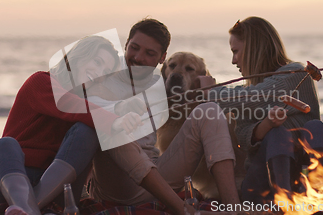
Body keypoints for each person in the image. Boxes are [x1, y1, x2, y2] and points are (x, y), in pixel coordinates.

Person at [88, 18, 240, 214]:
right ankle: (186, 211)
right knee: (112, 125)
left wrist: (206, 90)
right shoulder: (103, 77)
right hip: (117, 188)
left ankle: (235, 208)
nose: (138, 57)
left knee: (209, 110)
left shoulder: (158, 85)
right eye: (134, 48)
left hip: (157, 180)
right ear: (125, 44)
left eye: (150, 53)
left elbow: (197, 108)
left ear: (162, 58)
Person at [0, 36, 142, 215]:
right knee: (5, 144)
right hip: (7, 184)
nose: (99, 72)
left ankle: (29, 210)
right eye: (97, 61)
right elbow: (67, 105)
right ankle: (30, 209)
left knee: (88, 131)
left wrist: (128, 112)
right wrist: (113, 120)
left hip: (57, 191)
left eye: (106, 71)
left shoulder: (88, 107)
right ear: (79, 56)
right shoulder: (40, 82)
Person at [200, 16, 323, 204]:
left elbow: (258, 96)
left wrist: (210, 92)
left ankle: (321, 191)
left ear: (254, 49)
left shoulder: (296, 74)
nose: (233, 60)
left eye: (236, 52)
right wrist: (267, 124)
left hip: (299, 176)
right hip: (261, 185)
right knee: (277, 133)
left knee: (315, 127)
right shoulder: (248, 95)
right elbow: (245, 138)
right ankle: (283, 202)